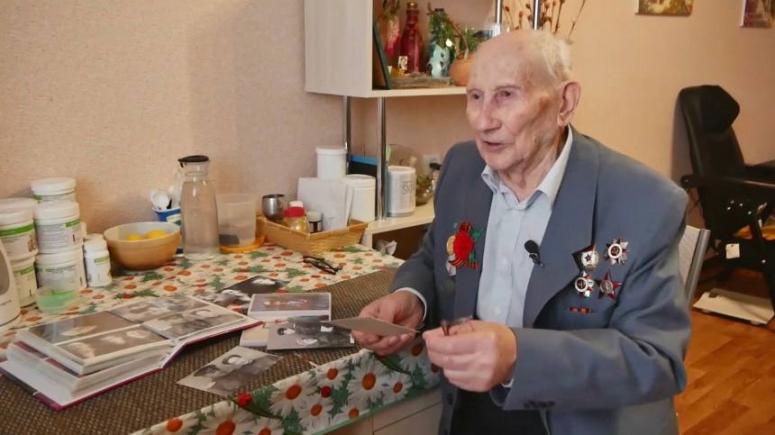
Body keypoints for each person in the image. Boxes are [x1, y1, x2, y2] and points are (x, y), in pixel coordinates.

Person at [353, 29, 690, 435]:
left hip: (577, 422)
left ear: (565, 103)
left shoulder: (644, 203)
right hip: (468, 411)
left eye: (506, 95)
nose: (483, 121)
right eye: (475, 96)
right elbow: (434, 255)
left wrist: (518, 356)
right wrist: (413, 297)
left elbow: (655, 358)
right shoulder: (462, 167)